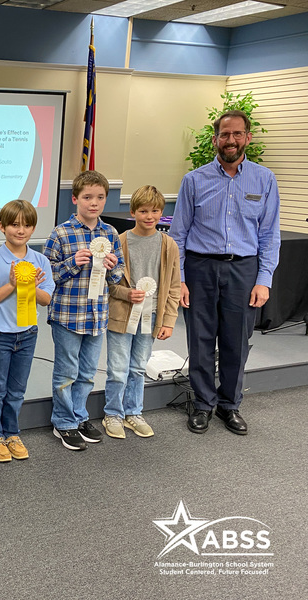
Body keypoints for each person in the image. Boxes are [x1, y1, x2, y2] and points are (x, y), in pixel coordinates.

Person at [169, 110, 280, 435]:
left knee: (236, 342)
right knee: (200, 340)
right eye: (224, 134)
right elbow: (178, 235)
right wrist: (181, 280)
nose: (230, 140)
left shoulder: (264, 179)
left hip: (243, 271)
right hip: (201, 268)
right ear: (216, 139)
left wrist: (264, 280)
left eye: (237, 134)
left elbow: (269, 236)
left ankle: (229, 405)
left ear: (247, 138)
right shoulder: (194, 180)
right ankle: (203, 405)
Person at [43, 170, 123, 451]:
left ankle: (79, 415)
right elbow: (46, 274)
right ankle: (63, 422)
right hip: (67, 314)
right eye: (88, 197)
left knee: (88, 372)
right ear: (75, 198)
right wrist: (72, 263)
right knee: (66, 372)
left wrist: (114, 269)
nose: (94, 203)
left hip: (97, 315)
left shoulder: (110, 233)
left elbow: (119, 272)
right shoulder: (61, 233)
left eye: (100, 197)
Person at [0, 200, 53, 462]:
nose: (21, 230)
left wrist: (32, 286)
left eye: (27, 225)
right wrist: (12, 285)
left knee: (17, 390)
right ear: (2, 226)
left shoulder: (40, 260)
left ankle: (11, 432)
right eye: (14, 224)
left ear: (33, 229)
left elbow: (46, 299)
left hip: (27, 335)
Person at [103, 185, 180, 439]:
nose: (150, 216)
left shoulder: (169, 245)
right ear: (133, 211)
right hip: (121, 315)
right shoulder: (120, 242)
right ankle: (112, 413)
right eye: (144, 210)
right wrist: (127, 294)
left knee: (138, 367)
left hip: (151, 318)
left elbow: (174, 287)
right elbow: (108, 282)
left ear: (162, 213)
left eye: (155, 211)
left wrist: (168, 320)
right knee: (117, 367)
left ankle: (133, 412)